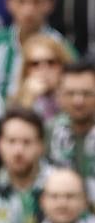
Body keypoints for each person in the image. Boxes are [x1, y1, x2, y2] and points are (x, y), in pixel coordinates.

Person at [45, 62, 95, 203]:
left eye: (87, 93)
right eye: (70, 93)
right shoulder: (48, 131)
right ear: (59, 95)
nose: (78, 101)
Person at [8, 33, 69, 120]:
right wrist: (27, 100)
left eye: (51, 62)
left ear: (62, 65)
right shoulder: (15, 102)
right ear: (26, 70)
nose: (43, 69)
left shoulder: (75, 97)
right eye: (35, 64)